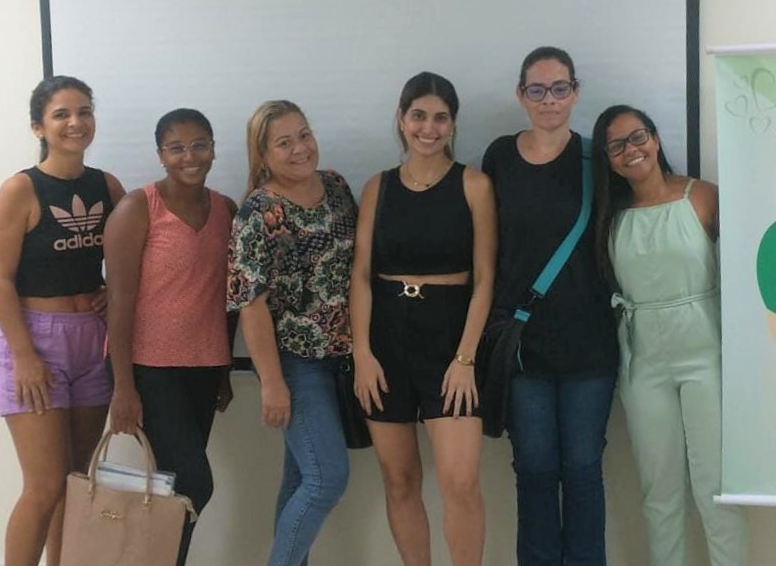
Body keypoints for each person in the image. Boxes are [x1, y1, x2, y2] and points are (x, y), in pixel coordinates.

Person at [592, 104, 750, 566]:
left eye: (637, 137)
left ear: (656, 139)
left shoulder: (702, 196)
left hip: (706, 355)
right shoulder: (610, 216)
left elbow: (748, 265)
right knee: (658, 492)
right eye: (616, 145)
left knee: (716, 489)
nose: (631, 150)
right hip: (643, 362)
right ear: (608, 159)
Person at [350, 71, 496, 566]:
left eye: (440, 118)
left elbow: (485, 279)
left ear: (453, 124)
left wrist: (465, 359)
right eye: (418, 116)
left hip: (450, 343)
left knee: (461, 482)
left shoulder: (474, 185)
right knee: (400, 480)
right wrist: (362, 352)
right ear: (401, 118)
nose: (428, 128)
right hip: (386, 342)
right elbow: (361, 275)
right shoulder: (378, 187)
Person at [481, 47, 618, 566]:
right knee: (534, 471)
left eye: (560, 88)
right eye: (537, 90)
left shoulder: (595, 159)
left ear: (576, 92)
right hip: (522, 347)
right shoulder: (499, 157)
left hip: (590, 345)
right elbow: (486, 249)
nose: (549, 100)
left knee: (583, 471)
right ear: (521, 96)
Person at [0, 76, 125, 566]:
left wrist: (111, 292)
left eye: (84, 111)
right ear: (38, 127)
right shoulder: (21, 189)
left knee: (76, 481)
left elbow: (129, 260)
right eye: (61, 114)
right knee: (43, 486)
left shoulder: (107, 186)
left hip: (93, 341)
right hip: (36, 341)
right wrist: (24, 355)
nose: (75, 122)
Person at [104, 108, 237, 566]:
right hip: (147, 369)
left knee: (175, 487)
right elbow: (118, 302)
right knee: (194, 482)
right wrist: (123, 387)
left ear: (214, 149)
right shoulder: (137, 208)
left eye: (200, 145)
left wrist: (225, 372)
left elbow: (228, 300)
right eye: (176, 148)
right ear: (160, 154)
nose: (190, 156)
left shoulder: (226, 210)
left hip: (204, 365)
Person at [227, 100, 356, 566]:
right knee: (326, 480)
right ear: (263, 155)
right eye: (284, 142)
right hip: (297, 366)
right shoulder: (259, 211)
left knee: (303, 478)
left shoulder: (336, 186)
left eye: (304, 134)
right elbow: (251, 304)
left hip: (343, 359)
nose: (301, 148)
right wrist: (272, 382)